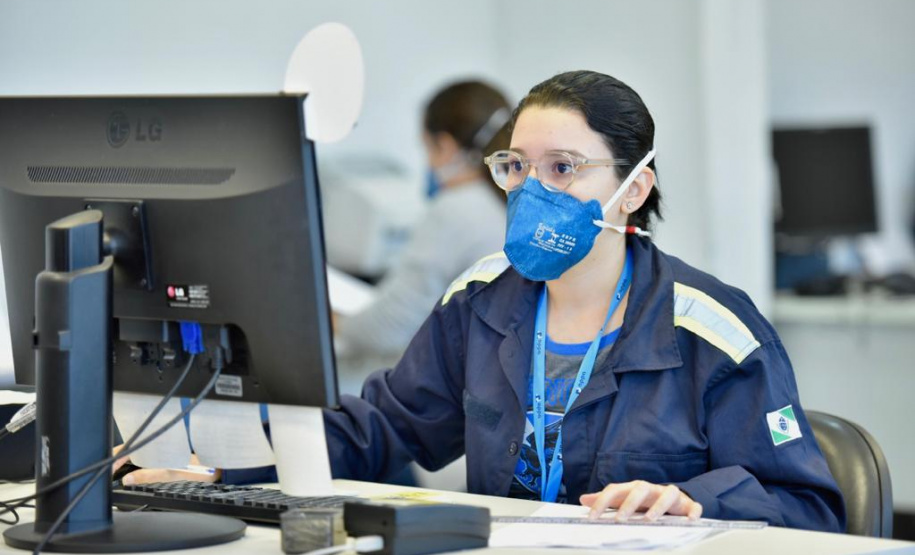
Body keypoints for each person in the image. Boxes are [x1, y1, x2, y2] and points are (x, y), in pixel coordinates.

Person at [116, 71, 845, 532]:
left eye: (563, 168)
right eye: (516, 167)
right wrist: (216, 471)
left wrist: (694, 501)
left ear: (634, 188)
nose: (532, 190)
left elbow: (809, 507)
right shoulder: (481, 300)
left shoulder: (711, 329)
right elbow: (380, 432)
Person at [333, 80, 511, 358]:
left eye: (427, 149)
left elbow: (390, 327)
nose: (428, 165)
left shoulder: (456, 209)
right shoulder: (509, 201)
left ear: (446, 146)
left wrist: (333, 322)